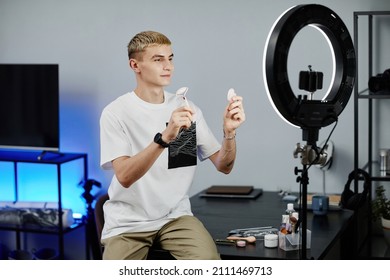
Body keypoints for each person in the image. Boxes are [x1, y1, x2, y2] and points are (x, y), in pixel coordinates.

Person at [99, 30, 246, 260]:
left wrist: (229, 133)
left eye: (170, 58)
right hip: (127, 225)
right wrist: (164, 138)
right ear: (135, 65)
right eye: (158, 60)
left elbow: (224, 165)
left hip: (176, 218)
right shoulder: (115, 113)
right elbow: (125, 177)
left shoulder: (188, 108)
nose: (168, 66)